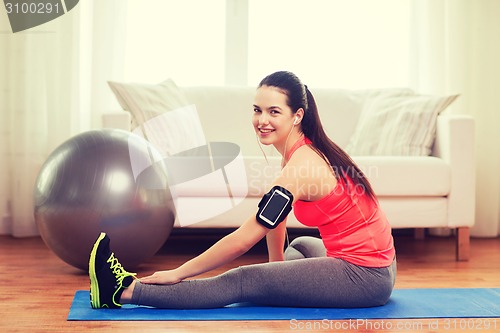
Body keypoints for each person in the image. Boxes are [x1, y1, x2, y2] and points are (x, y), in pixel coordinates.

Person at [88, 71, 396, 309]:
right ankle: (278, 283)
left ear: (297, 115)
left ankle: (124, 290)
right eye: (257, 110)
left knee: (242, 279)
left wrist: (178, 272)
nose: (262, 120)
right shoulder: (301, 151)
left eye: (274, 112)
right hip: (381, 266)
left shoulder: (302, 165)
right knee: (300, 245)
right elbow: (278, 221)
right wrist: (277, 270)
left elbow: (242, 241)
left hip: (367, 278)